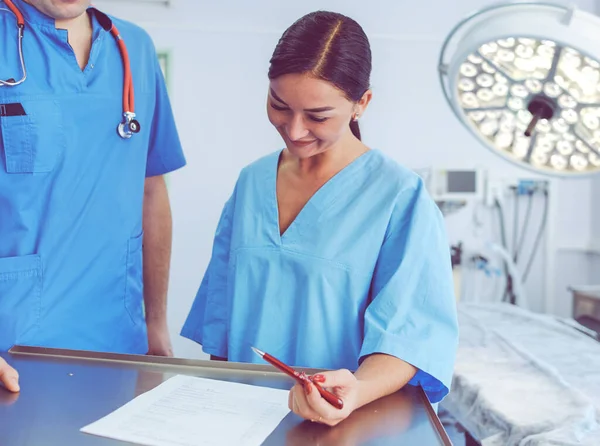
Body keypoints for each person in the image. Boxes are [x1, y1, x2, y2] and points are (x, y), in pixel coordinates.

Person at [181, 10, 458, 426]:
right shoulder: (252, 182)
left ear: (361, 103)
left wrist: (356, 391)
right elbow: (221, 321)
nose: (293, 130)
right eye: (279, 106)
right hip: (242, 420)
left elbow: (409, 338)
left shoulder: (399, 197)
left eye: (317, 116)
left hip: (344, 422)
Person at [0, 0, 185, 392]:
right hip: (11, 347)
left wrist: (155, 324)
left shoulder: (134, 47)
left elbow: (151, 189)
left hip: (118, 343)